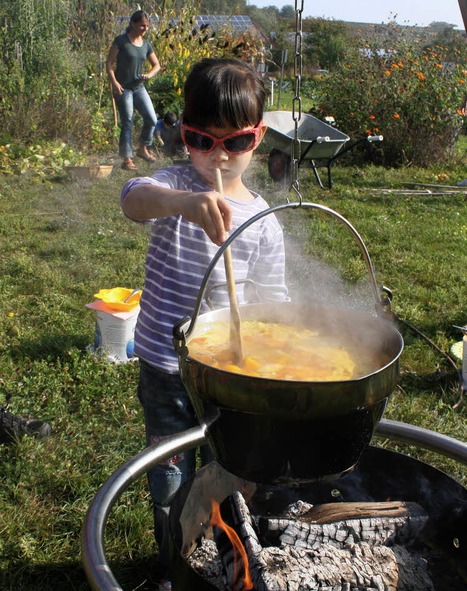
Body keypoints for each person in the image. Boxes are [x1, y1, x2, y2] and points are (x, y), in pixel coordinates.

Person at [120, 57, 288, 591]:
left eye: (234, 143)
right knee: (170, 472)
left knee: (227, 472)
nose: (217, 156)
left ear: (257, 138)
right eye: (201, 139)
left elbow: (272, 299)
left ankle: (220, 557)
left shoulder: (262, 220)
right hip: (167, 367)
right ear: (184, 135)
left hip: (229, 376)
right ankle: (173, 563)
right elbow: (133, 200)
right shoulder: (172, 185)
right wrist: (185, 203)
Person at [107, 10, 161, 171]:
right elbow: (109, 63)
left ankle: (143, 148)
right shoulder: (121, 41)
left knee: (151, 119)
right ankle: (127, 159)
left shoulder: (146, 45)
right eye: (142, 25)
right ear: (133, 24)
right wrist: (114, 83)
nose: (145, 29)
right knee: (128, 122)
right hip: (123, 88)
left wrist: (149, 75)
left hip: (139, 87)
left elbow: (156, 65)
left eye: (147, 26)